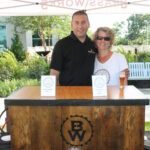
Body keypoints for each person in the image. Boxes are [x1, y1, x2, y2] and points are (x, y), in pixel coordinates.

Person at [50, 10, 96, 85]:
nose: (80, 26)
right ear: (71, 25)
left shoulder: (93, 45)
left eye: (83, 22)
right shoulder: (61, 45)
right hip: (67, 93)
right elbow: (54, 73)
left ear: (88, 24)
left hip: (90, 92)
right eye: (77, 22)